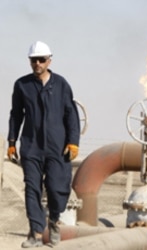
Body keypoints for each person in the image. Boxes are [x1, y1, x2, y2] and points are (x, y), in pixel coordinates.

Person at [7, 41, 80, 248]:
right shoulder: (22, 85)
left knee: (57, 189)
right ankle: (36, 233)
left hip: (57, 147)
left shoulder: (62, 84)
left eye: (41, 59)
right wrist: (12, 142)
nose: (37, 63)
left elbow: (71, 116)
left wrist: (73, 142)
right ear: (30, 61)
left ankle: (54, 221)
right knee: (32, 189)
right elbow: (16, 115)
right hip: (31, 146)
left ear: (49, 60)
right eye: (33, 60)